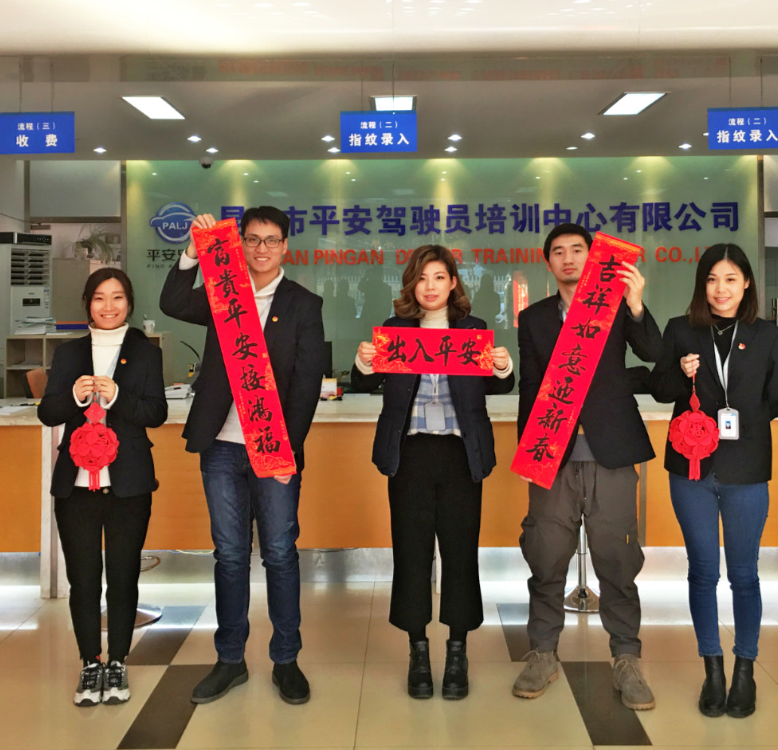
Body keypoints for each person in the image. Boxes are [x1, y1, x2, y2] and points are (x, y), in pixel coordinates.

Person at [159, 206, 325, 706]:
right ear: (241, 245)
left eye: (271, 240)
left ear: (285, 246)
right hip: (221, 446)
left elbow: (307, 384)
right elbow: (171, 301)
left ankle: (286, 660)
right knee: (229, 555)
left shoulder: (303, 304)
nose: (261, 249)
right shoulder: (222, 291)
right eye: (252, 239)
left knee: (280, 552)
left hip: (273, 449)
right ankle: (230, 659)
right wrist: (193, 252)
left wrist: (287, 450)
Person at [350, 245, 515, 701]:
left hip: (461, 455)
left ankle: (458, 651)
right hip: (411, 454)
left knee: (460, 553)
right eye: (422, 278)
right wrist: (364, 359)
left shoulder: (473, 330)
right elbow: (363, 381)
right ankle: (418, 650)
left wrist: (504, 366)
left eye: (439, 277)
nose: (430, 286)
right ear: (411, 284)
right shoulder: (396, 331)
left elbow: (500, 384)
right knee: (412, 552)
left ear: (453, 283)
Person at [513, 222, 662, 710]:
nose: (569, 259)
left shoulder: (614, 307)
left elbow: (656, 354)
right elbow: (530, 387)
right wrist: (529, 452)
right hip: (552, 456)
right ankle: (542, 653)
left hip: (611, 452)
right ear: (548, 262)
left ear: (592, 257)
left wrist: (636, 305)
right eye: (558, 252)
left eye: (578, 250)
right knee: (546, 555)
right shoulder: (534, 318)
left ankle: (626, 658)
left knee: (618, 560)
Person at [647, 243, 778, 719]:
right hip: (691, 470)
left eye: (730, 279)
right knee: (703, 571)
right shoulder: (680, 329)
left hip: (746, 469)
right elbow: (660, 389)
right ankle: (712, 669)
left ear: (746, 283)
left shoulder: (768, 335)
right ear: (701, 284)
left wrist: (738, 419)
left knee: (744, 575)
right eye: (711, 279)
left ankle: (745, 670)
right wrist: (681, 373)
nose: (720, 289)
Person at [37, 268, 168, 707]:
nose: (108, 306)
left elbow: (156, 414)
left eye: (117, 297)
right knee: (84, 579)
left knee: (123, 577)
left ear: (129, 303)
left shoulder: (146, 353)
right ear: (87, 304)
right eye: (99, 298)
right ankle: (90, 661)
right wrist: (74, 397)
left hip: (127, 485)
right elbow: (48, 413)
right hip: (75, 487)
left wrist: (117, 398)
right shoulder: (69, 353)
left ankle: (118, 661)